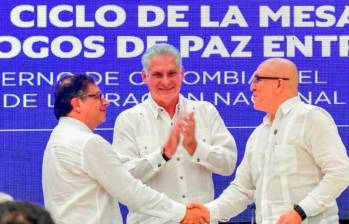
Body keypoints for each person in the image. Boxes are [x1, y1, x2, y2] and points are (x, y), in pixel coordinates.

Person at [196, 58, 349, 224]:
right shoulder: (258, 135)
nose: (252, 86)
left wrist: (301, 211)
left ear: (279, 84)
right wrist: (208, 212)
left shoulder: (310, 118)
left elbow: (340, 172)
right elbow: (242, 189)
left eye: (257, 79)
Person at [42, 74, 209, 224]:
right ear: (77, 104)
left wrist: (162, 155)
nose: (106, 102)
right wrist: (183, 213)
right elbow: (130, 191)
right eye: (98, 96)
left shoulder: (58, 138)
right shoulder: (87, 143)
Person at [112, 43, 237, 223]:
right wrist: (163, 155)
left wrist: (195, 148)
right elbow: (123, 180)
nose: (166, 81)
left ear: (182, 74)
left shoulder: (205, 112)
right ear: (144, 77)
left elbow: (228, 165)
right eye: (157, 75)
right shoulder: (129, 119)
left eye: (172, 73)